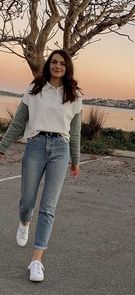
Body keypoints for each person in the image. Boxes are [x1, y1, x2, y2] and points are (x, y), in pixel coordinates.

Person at [0, 49, 82, 282]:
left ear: (68, 68)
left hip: (60, 149)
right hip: (35, 145)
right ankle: (24, 221)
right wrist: (2, 147)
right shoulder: (34, 89)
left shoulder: (74, 95)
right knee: (27, 200)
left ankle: (36, 261)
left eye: (62, 63)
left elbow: (75, 132)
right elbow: (18, 123)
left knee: (49, 206)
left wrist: (75, 160)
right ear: (48, 65)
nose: (58, 66)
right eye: (54, 62)